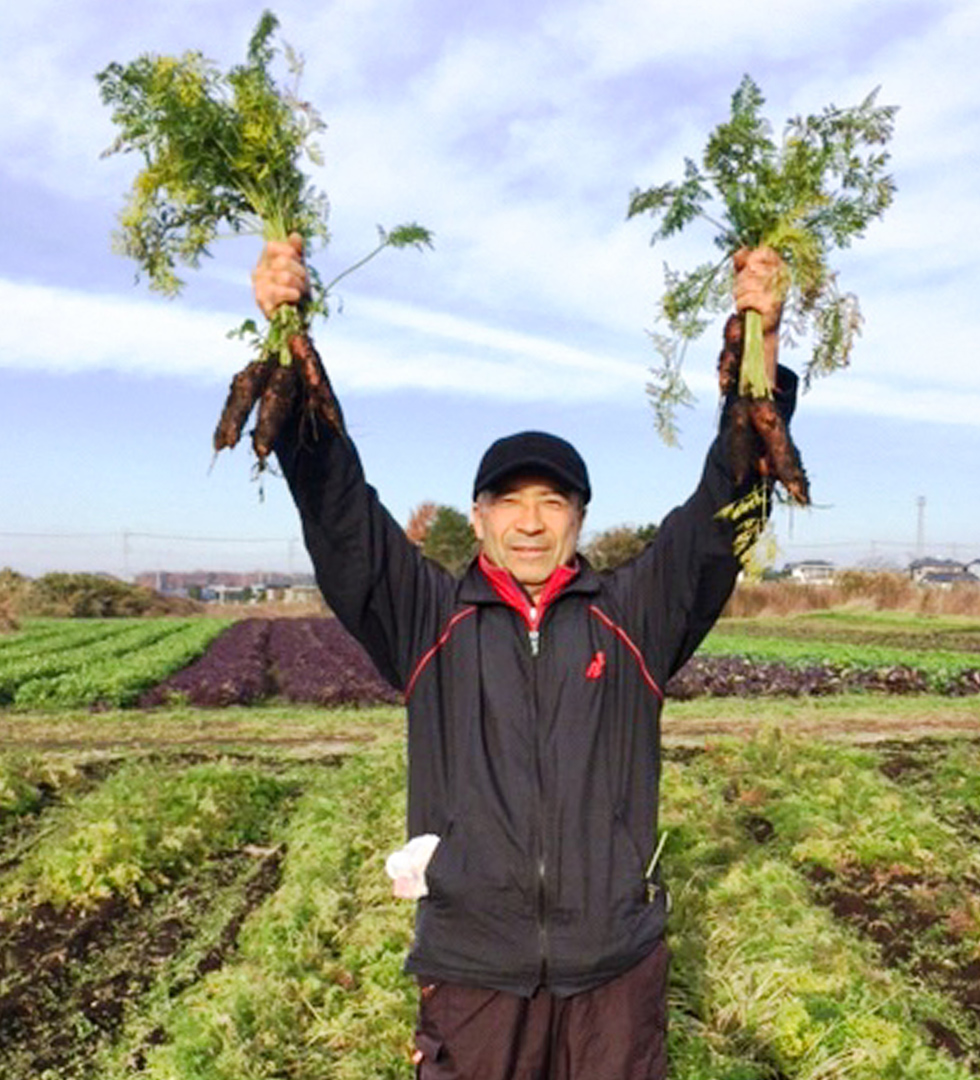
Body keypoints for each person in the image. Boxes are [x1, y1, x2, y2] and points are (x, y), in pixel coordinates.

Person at [252, 238, 795, 1080]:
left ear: (580, 517)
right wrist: (292, 347)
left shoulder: (633, 617)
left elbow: (719, 518)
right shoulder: (427, 618)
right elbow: (341, 516)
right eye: (510, 502)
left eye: (553, 502)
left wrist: (758, 349)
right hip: (473, 968)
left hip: (612, 969)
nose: (532, 523)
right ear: (479, 518)